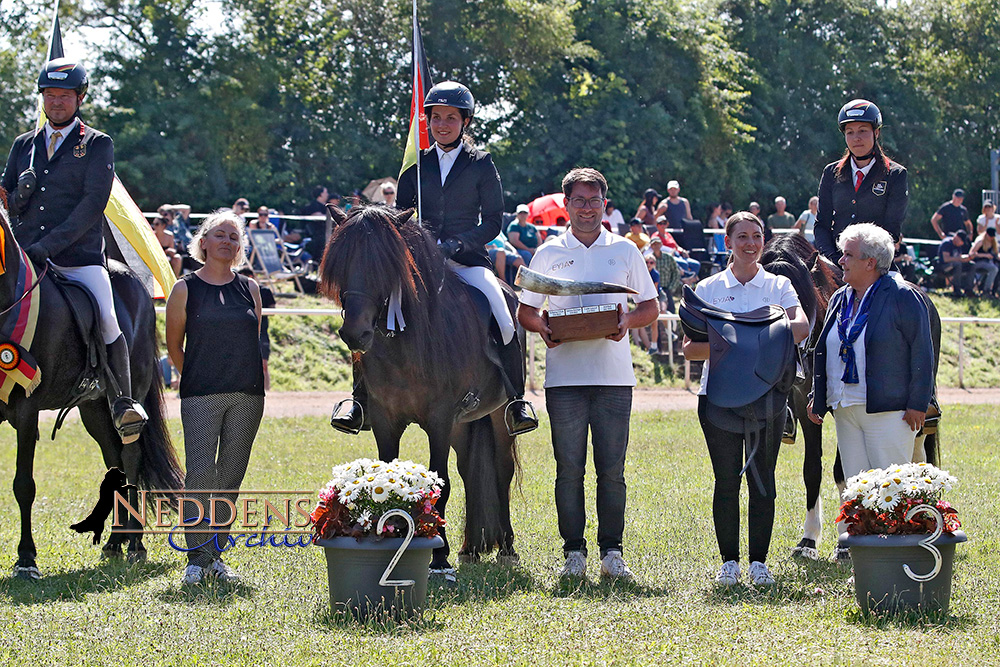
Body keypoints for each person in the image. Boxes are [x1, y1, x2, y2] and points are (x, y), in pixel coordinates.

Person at [331, 80, 537, 436]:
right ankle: (360, 399)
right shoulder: (415, 165)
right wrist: (419, 244)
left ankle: (517, 400)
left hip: (466, 258)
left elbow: (492, 221)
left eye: (451, 118)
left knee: (502, 310)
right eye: (436, 117)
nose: (442, 124)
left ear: (465, 122)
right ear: (426, 121)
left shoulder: (481, 164)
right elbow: (402, 215)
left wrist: (457, 243)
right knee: (374, 312)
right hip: (418, 260)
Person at [518, 167, 658, 581]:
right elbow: (526, 310)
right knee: (569, 469)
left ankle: (612, 553)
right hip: (564, 379)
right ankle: (573, 552)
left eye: (593, 201)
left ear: (604, 204)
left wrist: (627, 322)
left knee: (612, 471)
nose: (586, 208)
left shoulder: (626, 250)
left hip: (615, 378)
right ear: (566, 205)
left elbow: (649, 307)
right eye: (578, 200)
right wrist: (541, 326)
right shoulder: (546, 253)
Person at [0, 57, 146, 443]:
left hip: (77, 258)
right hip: (25, 260)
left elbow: (92, 203)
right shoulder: (23, 145)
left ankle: (124, 403)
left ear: (79, 98)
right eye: (50, 95)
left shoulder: (96, 144)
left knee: (109, 315)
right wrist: (16, 196)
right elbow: (7, 198)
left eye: (64, 95)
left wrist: (47, 246)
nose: (57, 102)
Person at [682, 212, 809, 586]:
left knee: (762, 479)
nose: (750, 243)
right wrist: (757, 338)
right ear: (728, 242)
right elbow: (690, 349)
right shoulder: (707, 288)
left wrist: (733, 339)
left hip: (767, 397)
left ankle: (759, 562)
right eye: (742, 237)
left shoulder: (779, 285)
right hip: (717, 396)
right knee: (725, 480)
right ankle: (729, 562)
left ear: (764, 240)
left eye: (756, 236)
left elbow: (800, 327)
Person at [164, 210, 265, 585]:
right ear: (203, 242)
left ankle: (216, 555)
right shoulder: (184, 288)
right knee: (202, 474)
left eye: (234, 237)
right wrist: (197, 374)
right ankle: (196, 557)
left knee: (231, 477)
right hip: (201, 395)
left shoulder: (250, 289)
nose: (227, 241)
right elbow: (174, 345)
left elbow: (251, 340)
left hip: (248, 395)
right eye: (219, 235)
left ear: (240, 247)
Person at [807, 223, 933, 498]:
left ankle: (894, 542)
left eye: (848, 255)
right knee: (857, 489)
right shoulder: (841, 297)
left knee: (891, 490)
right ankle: (862, 542)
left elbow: (922, 351)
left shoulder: (902, 296)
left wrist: (917, 403)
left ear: (871, 262)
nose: (840, 261)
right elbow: (825, 349)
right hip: (846, 407)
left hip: (889, 411)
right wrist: (818, 396)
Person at [814, 99, 908, 264]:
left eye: (863, 130)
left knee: (900, 289)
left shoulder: (896, 174)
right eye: (850, 132)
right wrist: (835, 260)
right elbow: (822, 225)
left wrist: (865, 262)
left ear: (876, 132)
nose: (856, 138)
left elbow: (891, 230)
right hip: (836, 262)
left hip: (875, 264)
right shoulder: (830, 173)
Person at [937, 230, 974, 297]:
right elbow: (946, 259)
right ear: (957, 238)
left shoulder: (958, 246)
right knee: (958, 264)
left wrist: (966, 258)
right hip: (944, 266)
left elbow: (958, 257)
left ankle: (969, 289)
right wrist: (960, 259)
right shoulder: (947, 243)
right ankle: (956, 290)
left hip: (955, 264)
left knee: (972, 265)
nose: (962, 244)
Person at [969, 228, 999, 297]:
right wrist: (985, 255)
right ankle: (985, 290)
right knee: (993, 268)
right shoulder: (980, 242)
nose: (991, 238)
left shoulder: (993, 243)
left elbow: (996, 254)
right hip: (978, 262)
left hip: (987, 262)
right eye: (990, 236)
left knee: (994, 269)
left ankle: (987, 289)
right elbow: (971, 253)